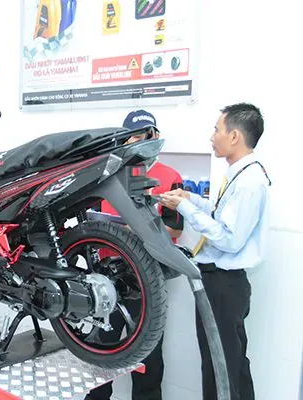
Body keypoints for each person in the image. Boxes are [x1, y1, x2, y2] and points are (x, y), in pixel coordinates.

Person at [160, 103, 271, 400]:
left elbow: (229, 239)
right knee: (230, 365)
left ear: (234, 136)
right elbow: (222, 215)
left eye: (217, 129)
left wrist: (184, 208)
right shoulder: (240, 174)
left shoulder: (249, 182)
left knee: (220, 369)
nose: (212, 136)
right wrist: (190, 199)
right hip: (221, 284)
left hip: (224, 284)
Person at [86, 109, 184, 400]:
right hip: (106, 279)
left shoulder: (170, 177)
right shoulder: (107, 175)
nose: (138, 142)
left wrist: (136, 229)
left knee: (149, 357)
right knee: (98, 352)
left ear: (156, 135)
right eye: (132, 137)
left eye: (145, 135)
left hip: (147, 282)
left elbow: (175, 229)